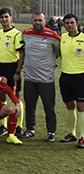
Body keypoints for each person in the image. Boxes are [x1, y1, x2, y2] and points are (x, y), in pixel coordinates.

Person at [17, 12, 60, 142]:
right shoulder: (26, 34)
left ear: (45, 21)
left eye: (40, 20)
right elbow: (23, 52)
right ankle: (30, 129)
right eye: (35, 20)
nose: (37, 23)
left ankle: (51, 132)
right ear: (32, 21)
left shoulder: (53, 35)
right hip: (29, 78)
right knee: (30, 106)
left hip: (46, 78)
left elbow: (58, 52)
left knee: (49, 106)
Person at [0, 8, 25, 137]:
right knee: (2, 96)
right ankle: (4, 125)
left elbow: (22, 54)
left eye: (6, 17)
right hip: (0, 67)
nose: (4, 19)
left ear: (11, 17)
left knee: (17, 97)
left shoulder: (17, 34)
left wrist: (17, 71)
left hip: (13, 68)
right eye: (1, 17)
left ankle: (19, 126)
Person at [58, 13, 84, 147]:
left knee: (81, 106)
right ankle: (71, 133)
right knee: (69, 105)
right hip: (65, 76)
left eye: (72, 23)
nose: (69, 25)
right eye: (67, 23)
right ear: (64, 25)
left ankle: (83, 136)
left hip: (81, 77)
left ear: (77, 24)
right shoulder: (62, 38)